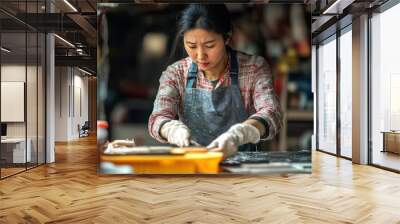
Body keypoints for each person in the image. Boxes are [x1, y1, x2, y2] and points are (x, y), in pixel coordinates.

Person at [148, 4, 282, 158]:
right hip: (193, 165)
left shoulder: (254, 68)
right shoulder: (176, 73)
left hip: (243, 167)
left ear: (227, 37)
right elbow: (157, 119)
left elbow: (271, 114)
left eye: (209, 46)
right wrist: (172, 129)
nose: (200, 55)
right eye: (191, 46)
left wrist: (239, 134)